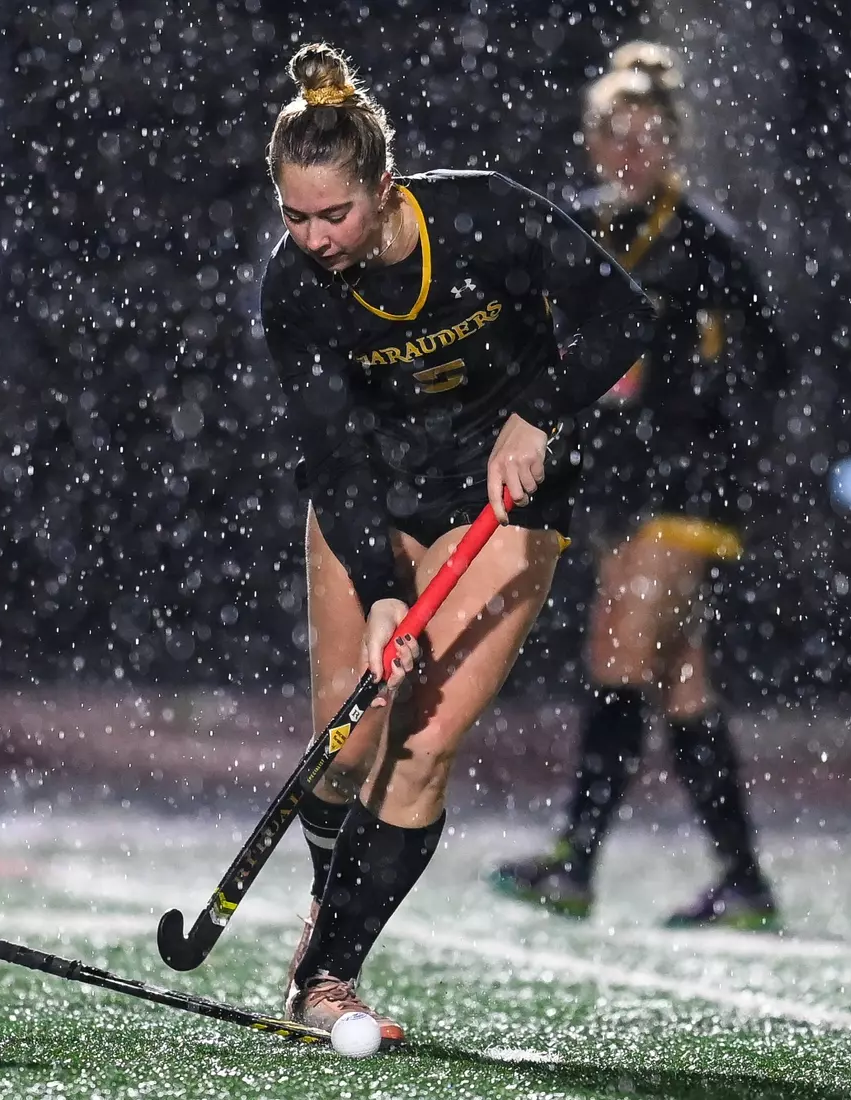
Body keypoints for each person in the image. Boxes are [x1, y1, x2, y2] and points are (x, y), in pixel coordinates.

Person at [261, 43, 653, 1043]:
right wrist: (375, 583)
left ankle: (328, 974)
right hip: (375, 494)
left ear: (382, 187)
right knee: (346, 738)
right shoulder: (295, 288)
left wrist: (538, 409)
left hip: (501, 496)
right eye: (294, 216)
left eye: (333, 214)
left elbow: (621, 312)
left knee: (424, 743)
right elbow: (329, 450)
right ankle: (330, 900)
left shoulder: (481, 214)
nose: (313, 237)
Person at [488, 43, 787, 930]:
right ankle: (743, 878)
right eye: (615, 135)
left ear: (675, 142)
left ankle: (575, 862)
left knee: (616, 649)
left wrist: (698, 377)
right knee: (679, 679)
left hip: (686, 485)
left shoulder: (702, 236)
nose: (631, 151)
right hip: (619, 484)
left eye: (649, 135)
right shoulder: (578, 225)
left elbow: (772, 358)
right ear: (590, 140)